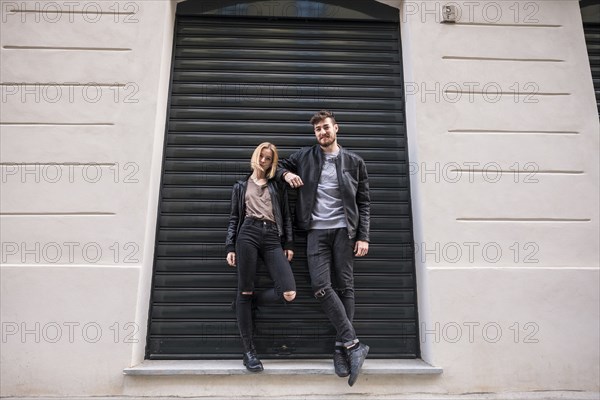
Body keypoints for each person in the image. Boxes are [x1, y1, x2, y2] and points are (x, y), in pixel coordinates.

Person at [277, 110, 371, 386]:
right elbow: (278, 165)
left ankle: (341, 349)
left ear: (336, 128)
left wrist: (363, 236)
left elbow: (364, 202)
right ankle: (353, 344)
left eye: (326, 127)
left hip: (345, 231)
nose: (322, 132)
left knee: (345, 287)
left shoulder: (354, 161)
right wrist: (286, 176)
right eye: (317, 129)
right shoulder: (305, 157)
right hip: (316, 231)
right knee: (320, 287)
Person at [225, 142, 297, 373]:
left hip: (272, 236)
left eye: (268, 158)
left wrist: (288, 243)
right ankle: (249, 352)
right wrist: (230, 247)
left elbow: (286, 215)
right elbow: (234, 218)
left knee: (288, 291)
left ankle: (248, 302)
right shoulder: (241, 185)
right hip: (247, 233)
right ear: (255, 157)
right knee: (244, 289)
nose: (264, 161)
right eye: (261, 156)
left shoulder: (277, 187)